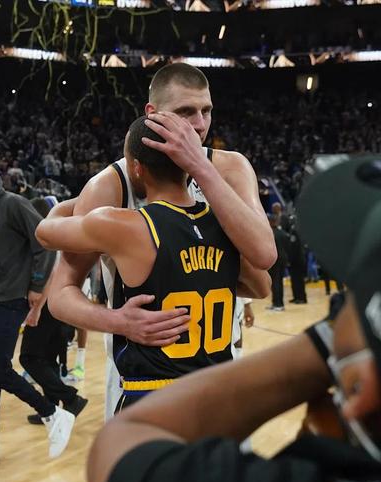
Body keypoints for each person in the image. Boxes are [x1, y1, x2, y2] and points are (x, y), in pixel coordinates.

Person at [86, 155, 381, 482]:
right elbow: (261, 283)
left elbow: (120, 444)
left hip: (156, 382)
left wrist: (324, 343)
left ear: (362, 386)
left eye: (352, 296)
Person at [45, 63, 276, 419]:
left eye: (206, 111)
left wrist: (201, 169)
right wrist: (118, 321)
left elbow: (264, 258)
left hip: (217, 367)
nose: (199, 124)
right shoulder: (110, 184)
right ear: (152, 113)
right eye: (186, 112)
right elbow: (61, 294)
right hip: (142, 376)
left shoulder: (231, 168)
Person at [0, 159, 73, 461]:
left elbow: (45, 244)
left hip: (11, 300)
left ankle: (52, 413)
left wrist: (36, 285)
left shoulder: (14, 204)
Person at [18, 197, 88, 426]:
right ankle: (52, 410)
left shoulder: (43, 238)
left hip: (48, 304)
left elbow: (50, 275)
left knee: (29, 357)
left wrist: (36, 308)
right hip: (60, 303)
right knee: (46, 358)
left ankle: (70, 398)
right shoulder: (57, 234)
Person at [267, 213, 290, 311]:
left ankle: (277, 304)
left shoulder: (271, 234)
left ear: (271, 222)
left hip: (275, 261)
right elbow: (288, 247)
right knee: (279, 282)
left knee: (275, 282)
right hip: (283, 260)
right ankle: (279, 303)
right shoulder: (283, 233)